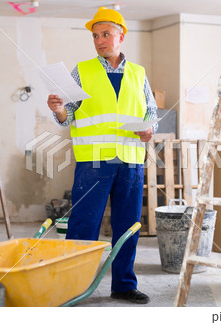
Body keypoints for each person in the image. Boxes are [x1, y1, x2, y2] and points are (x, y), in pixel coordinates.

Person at [47, 7, 158, 304]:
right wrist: (58, 108)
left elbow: (151, 112)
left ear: (121, 35)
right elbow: (67, 114)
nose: (99, 40)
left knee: (128, 226)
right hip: (93, 162)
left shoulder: (138, 74)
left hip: (131, 162)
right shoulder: (81, 71)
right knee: (84, 225)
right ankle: (74, 285)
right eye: (96, 36)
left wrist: (150, 130)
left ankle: (123, 285)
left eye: (106, 34)